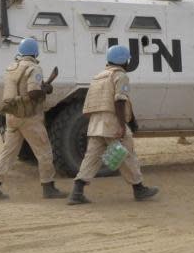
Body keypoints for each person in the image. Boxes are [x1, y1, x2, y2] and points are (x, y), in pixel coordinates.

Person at [68, 45, 159, 205]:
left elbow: (89, 105)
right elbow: (119, 100)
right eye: (128, 60)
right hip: (112, 122)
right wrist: (122, 125)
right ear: (123, 60)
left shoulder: (98, 77)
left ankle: (77, 192)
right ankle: (139, 189)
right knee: (127, 154)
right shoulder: (120, 76)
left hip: (96, 124)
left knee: (91, 158)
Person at [0, 38, 66, 200]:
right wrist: (45, 89)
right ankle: (48, 187)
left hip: (12, 115)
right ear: (35, 53)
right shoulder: (34, 68)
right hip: (29, 117)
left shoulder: (12, 67)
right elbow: (33, 93)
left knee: (8, 153)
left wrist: (42, 87)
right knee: (44, 151)